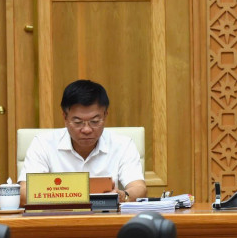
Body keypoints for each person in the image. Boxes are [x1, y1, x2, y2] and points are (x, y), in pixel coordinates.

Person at [17, 80, 147, 206]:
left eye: (95, 121)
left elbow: (139, 188)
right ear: (65, 117)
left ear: (105, 115)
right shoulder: (43, 144)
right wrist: (65, 196)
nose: (86, 129)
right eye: (78, 122)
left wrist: (123, 196)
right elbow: (23, 194)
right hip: (57, 222)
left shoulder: (122, 144)